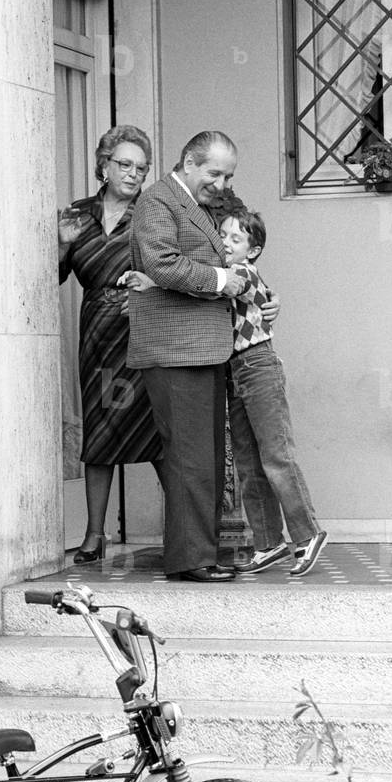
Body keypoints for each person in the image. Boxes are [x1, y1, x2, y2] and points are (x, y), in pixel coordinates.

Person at [127, 130, 278, 582]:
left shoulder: (207, 205)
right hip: (175, 351)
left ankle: (202, 553)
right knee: (191, 458)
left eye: (228, 174)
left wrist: (264, 297)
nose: (222, 182)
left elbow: (241, 256)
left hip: (207, 350)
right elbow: (162, 264)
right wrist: (221, 282)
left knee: (206, 458)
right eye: (214, 172)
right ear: (188, 162)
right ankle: (192, 559)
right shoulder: (157, 202)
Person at [58, 125, 162, 564]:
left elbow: (173, 268)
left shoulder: (153, 213)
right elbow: (51, 278)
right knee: (100, 432)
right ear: (103, 165)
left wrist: (149, 285)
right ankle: (94, 534)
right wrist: (61, 246)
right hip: (98, 334)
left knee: (158, 432)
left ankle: (186, 531)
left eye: (141, 167)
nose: (133, 174)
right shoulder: (77, 215)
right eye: (124, 164)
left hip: (141, 331)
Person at [219, 208, 327, 576]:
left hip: (258, 364)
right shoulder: (229, 271)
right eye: (223, 235)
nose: (226, 243)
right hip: (236, 370)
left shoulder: (240, 272)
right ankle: (268, 543)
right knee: (249, 464)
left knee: (276, 456)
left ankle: (307, 533)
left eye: (236, 239)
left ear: (252, 251)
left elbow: (245, 286)